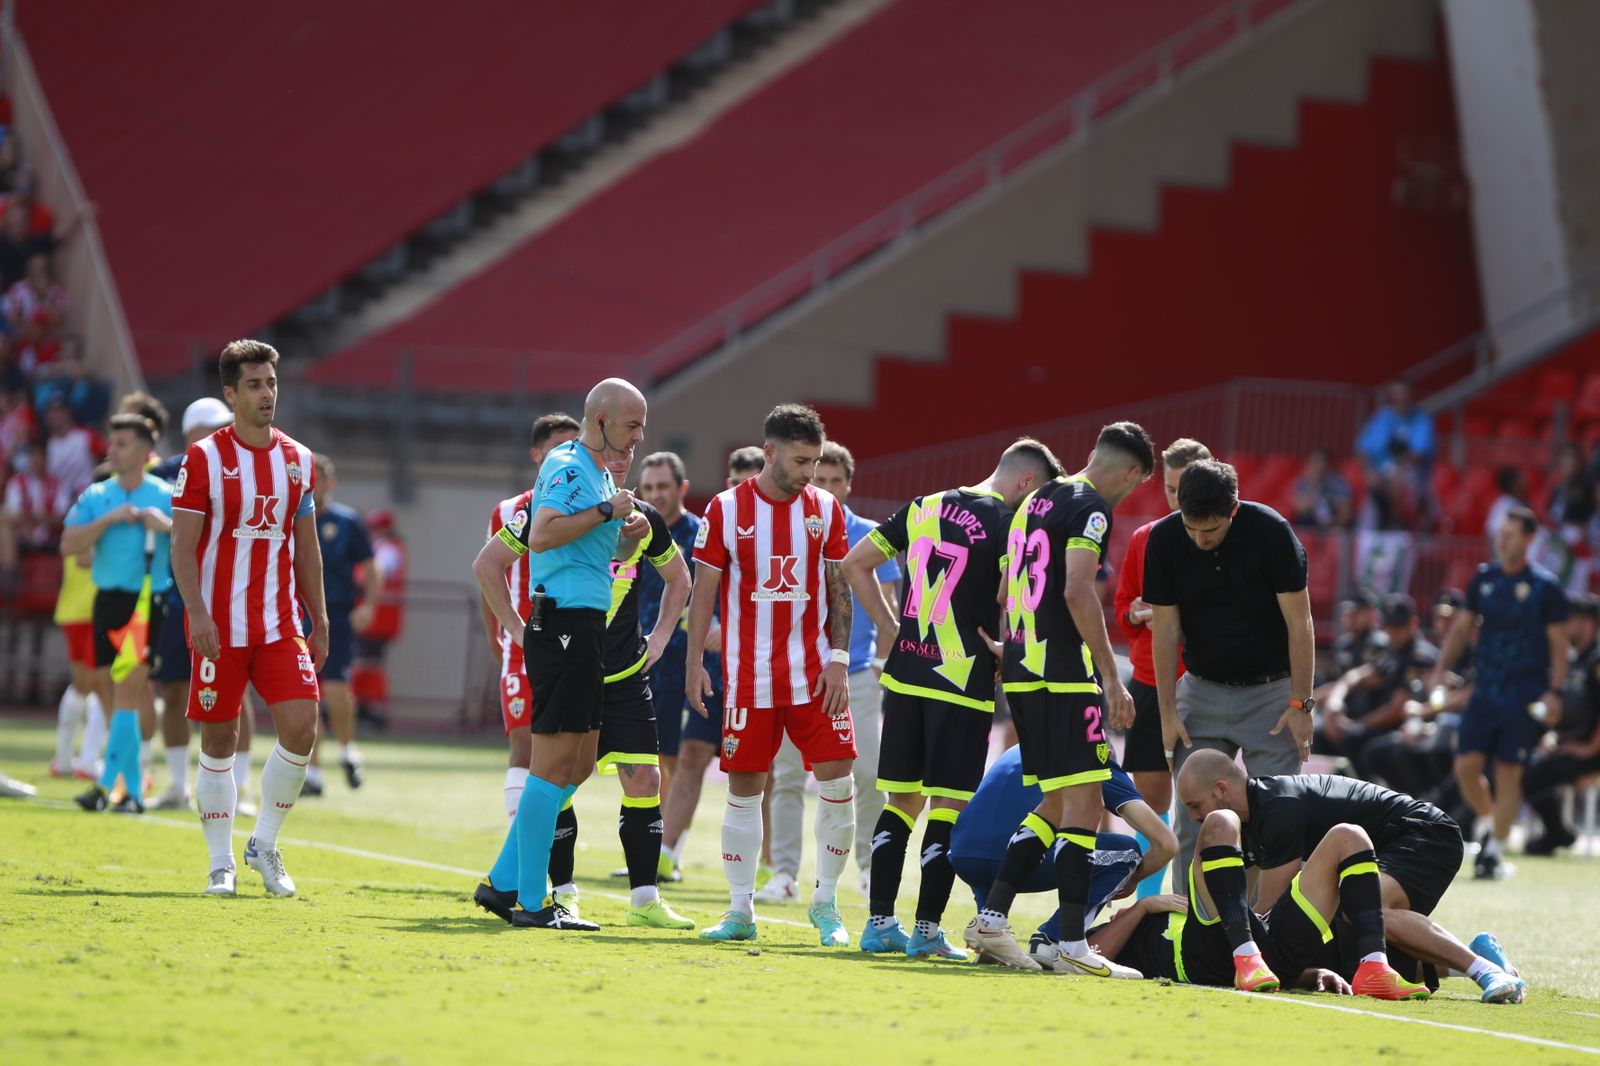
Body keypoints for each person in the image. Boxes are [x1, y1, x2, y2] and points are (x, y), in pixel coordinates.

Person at [841, 438, 1059, 956]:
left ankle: (877, 926)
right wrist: (1008, 649)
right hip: (961, 680)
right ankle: (926, 933)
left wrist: (892, 630)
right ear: (1026, 481)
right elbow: (1013, 596)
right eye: (1038, 495)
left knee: (900, 805)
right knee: (946, 808)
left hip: (907, 672)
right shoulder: (1009, 525)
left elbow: (855, 563)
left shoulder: (924, 506)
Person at [964, 421, 1155, 975]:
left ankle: (994, 919)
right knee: (1087, 803)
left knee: (1055, 803)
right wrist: (1110, 677)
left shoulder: (1032, 501)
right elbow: (1075, 588)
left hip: (1022, 668)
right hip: (1063, 675)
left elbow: (1005, 591)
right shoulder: (1092, 507)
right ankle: (1071, 945)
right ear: (1133, 472)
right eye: (1137, 484)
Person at [472, 380, 645, 930]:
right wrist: (523, 631)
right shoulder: (572, 469)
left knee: (584, 757)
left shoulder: (591, 473)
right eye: (632, 424)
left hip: (580, 625)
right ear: (601, 421)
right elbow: (544, 536)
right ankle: (531, 901)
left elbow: (502, 556)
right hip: (566, 624)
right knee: (551, 764)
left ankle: (502, 881)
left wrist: (625, 533)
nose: (638, 436)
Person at [686, 404, 857, 947]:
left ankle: (826, 904)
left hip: (815, 675)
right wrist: (694, 663)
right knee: (744, 790)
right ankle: (740, 912)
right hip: (747, 677)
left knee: (839, 783)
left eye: (816, 460)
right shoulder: (724, 509)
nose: (810, 471)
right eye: (802, 460)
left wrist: (839, 659)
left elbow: (838, 587)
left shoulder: (825, 509)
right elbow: (704, 593)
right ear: (771, 452)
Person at [1174, 750, 1526, 1003]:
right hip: (1397, 838)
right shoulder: (1256, 815)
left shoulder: (1276, 812)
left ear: (1221, 789)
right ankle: (1477, 957)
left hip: (1424, 834)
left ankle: (1485, 971)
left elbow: (1267, 911)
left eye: (1195, 806)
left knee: (1374, 916)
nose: (1194, 818)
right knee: (1354, 928)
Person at [170, 340, 328, 898]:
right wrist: (197, 613)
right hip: (219, 627)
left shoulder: (299, 460)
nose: (267, 394)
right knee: (219, 740)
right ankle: (220, 864)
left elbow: (306, 550)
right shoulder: (204, 459)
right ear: (230, 394)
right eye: (255, 385)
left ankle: (262, 843)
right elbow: (182, 548)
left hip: (279, 623)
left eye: (272, 383)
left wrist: (322, 621)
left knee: (303, 727)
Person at [1144, 458, 1315, 879]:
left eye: (1212, 530)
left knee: (1271, 818)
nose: (1200, 539)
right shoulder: (1164, 538)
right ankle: (1190, 928)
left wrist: (1301, 703)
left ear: (1233, 510)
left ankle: (1260, 930)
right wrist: (1167, 713)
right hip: (1200, 690)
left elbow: (1301, 622)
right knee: (1193, 819)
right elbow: (1164, 631)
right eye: (1192, 528)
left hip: (1273, 694)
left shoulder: (1272, 532)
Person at [762, 441, 900, 905]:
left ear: (848, 484)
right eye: (819, 478)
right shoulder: (789, 526)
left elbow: (890, 610)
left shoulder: (870, 534)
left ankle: (867, 868)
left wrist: (880, 669)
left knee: (866, 773)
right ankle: (783, 873)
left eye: (835, 480)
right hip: (796, 669)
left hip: (856, 671)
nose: (826, 487)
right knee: (785, 774)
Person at [1429, 506, 1569, 880]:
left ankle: (1494, 851)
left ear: (1528, 538)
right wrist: (1440, 671)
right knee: (1465, 767)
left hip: (1525, 694)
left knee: (1509, 773)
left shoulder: (1545, 587)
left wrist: (1555, 691)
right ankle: (1492, 825)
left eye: (1510, 534)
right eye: (1499, 533)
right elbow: (1461, 629)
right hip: (1485, 690)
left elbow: (1558, 644)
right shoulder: (1484, 579)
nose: (1501, 540)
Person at [950, 744, 1175, 965]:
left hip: (962, 855)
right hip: (1009, 854)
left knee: (991, 839)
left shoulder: (1018, 750)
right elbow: (1167, 844)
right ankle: (1055, 939)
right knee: (1128, 852)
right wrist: (1131, 878)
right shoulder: (1094, 757)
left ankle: (990, 931)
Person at [146, 397, 256, 813]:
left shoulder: (245, 464)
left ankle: (239, 788)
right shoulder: (163, 473)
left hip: (228, 598)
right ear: (193, 432)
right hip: (175, 598)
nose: (223, 431)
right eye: (213, 425)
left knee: (235, 693)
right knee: (173, 689)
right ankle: (177, 785)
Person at [1114, 437, 1210, 898]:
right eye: (1170, 489)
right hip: (1151, 683)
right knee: (1150, 801)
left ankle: (1199, 904)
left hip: (1205, 684)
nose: (1177, 498)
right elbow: (1121, 607)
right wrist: (1135, 613)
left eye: (1185, 487)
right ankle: (1147, 906)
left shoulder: (1220, 538)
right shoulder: (1144, 538)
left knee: (1203, 804)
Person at [62, 413, 173, 814]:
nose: (112, 449)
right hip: (107, 601)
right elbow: (68, 543)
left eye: (122, 443)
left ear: (144, 453)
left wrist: (167, 526)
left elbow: (198, 539)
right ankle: (133, 795)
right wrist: (108, 520)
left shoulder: (165, 495)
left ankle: (106, 785)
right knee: (113, 693)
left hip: (146, 603)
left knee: (127, 688)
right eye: (113, 442)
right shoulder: (97, 496)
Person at [655, 448, 753, 883]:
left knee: (758, 773)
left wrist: (728, 633)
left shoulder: (778, 533)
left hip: (754, 670)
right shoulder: (714, 529)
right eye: (733, 483)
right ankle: (664, 853)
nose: (737, 491)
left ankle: (772, 868)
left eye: (745, 483)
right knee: (684, 755)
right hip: (699, 665)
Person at [480, 413, 580, 828]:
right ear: (537, 455)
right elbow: (490, 573)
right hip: (524, 645)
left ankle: (547, 835)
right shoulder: (510, 510)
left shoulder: (588, 507)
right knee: (523, 748)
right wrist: (497, 635)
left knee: (567, 756)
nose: (569, 456)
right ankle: (519, 848)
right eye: (559, 447)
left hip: (574, 644)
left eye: (575, 446)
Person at [299, 454, 380, 795]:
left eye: (318, 478)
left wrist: (369, 605)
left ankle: (347, 749)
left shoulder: (347, 522)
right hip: (298, 616)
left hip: (337, 616)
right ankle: (313, 772)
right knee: (306, 694)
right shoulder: (293, 520)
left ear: (330, 482)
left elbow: (371, 567)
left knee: (335, 690)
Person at [1318, 595, 1438, 780]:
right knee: (1325, 736)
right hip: (1394, 725)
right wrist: (1335, 701)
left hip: (1414, 725)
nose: (1392, 632)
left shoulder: (1418, 656)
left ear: (1413, 624)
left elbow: (1397, 709)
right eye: (1388, 626)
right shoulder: (1392, 652)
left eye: (1398, 626)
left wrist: (1357, 725)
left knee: (1356, 740)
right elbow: (1357, 677)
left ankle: (1368, 798)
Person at [1524, 593, 1600, 854]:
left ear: (1589, 622)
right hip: (1572, 743)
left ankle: (1556, 833)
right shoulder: (1575, 659)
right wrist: (1552, 739)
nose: (1565, 625)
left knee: (1535, 774)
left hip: (1593, 751)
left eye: (1571, 619)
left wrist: (1589, 748)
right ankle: (1557, 831)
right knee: (1526, 763)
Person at [351, 508, 405, 730]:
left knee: (369, 663)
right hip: (379, 617)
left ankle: (370, 710)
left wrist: (355, 577)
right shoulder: (387, 547)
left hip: (378, 617)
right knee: (366, 662)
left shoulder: (388, 549)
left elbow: (374, 574)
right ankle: (364, 707)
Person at [1356, 381, 1435, 474]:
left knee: (1399, 476)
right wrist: (1368, 471)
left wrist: (1399, 468)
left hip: (1411, 471)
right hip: (1379, 468)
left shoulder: (1422, 419)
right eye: (1396, 394)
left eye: (1403, 393)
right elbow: (1364, 448)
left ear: (1411, 395)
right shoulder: (1383, 416)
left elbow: (1418, 455)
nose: (1400, 397)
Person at [1290, 449, 1353, 528]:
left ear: (1328, 464)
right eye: (1314, 462)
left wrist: (1330, 522)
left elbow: (1345, 515)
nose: (1318, 466)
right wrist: (1314, 486)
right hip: (1309, 526)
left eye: (1321, 461)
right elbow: (1301, 509)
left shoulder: (1338, 484)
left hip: (1332, 527)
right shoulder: (1303, 482)